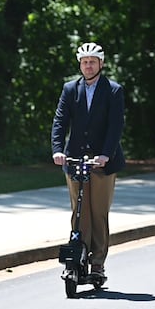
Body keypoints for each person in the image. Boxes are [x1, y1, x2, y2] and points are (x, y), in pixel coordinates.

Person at [50, 42, 126, 278]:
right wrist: (57, 150)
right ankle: (78, 255)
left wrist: (106, 154)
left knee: (98, 212)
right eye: (85, 62)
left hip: (102, 162)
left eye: (93, 61)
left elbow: (115, 126)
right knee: (79, 212)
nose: (88, 66)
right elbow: (60, 121)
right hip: (74, 160)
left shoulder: (113, 90)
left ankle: (98, 262)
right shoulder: (70, 89)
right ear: (80, 64)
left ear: (101, 64)